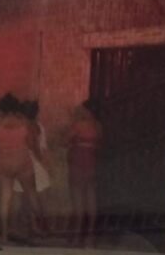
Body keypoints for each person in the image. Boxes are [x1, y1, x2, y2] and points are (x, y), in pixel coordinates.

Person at [0, 93, 42, 242]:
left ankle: (4, 234)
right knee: (31, 194)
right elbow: (32, 144)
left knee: (5, 197)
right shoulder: (24, 123)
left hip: (3, 161)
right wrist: (40, 159)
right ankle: (39, 225)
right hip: (22, 161)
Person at [13, 100, 50, 235]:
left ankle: (33, 224)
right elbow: (41, 148)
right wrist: (44, 163)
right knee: (35, 195)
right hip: (32, 161)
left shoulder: (25, 126)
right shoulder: (37, 126)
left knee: (23, 195)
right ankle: (38, 225)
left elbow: (33, 145)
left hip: (25, 160)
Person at [69, 99, 103, 247]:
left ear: (87, 110)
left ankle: (77, 237)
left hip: (78, 162)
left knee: (78, 201)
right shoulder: (98, 126)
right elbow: (99, 144)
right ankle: (90, 236)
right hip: (92, 163)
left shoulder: (78, 124)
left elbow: (65, 140)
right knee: (91, 199)